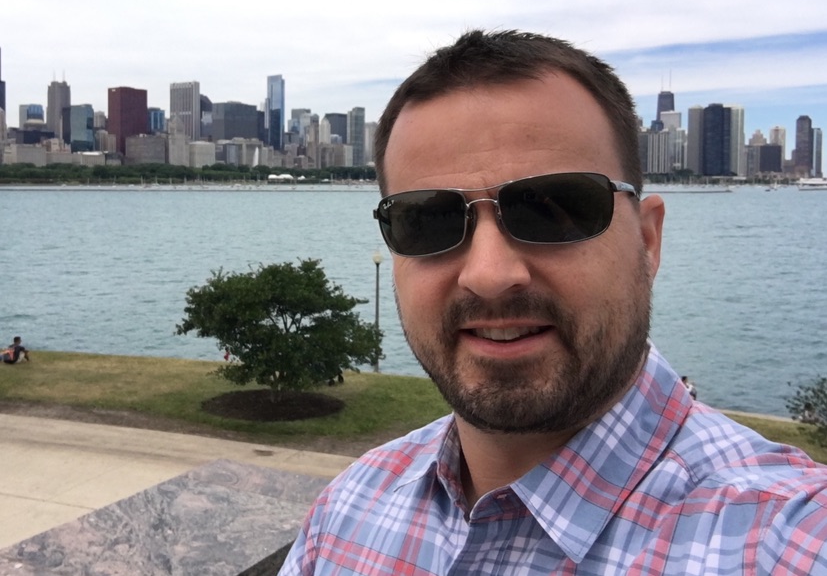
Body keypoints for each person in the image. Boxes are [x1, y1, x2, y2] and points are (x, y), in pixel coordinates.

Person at [279, 30, 827, 574]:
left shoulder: (784, 539)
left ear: (647, 240)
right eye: (428, 220)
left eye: (552, 210)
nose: (490, 275)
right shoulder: (344, 513)